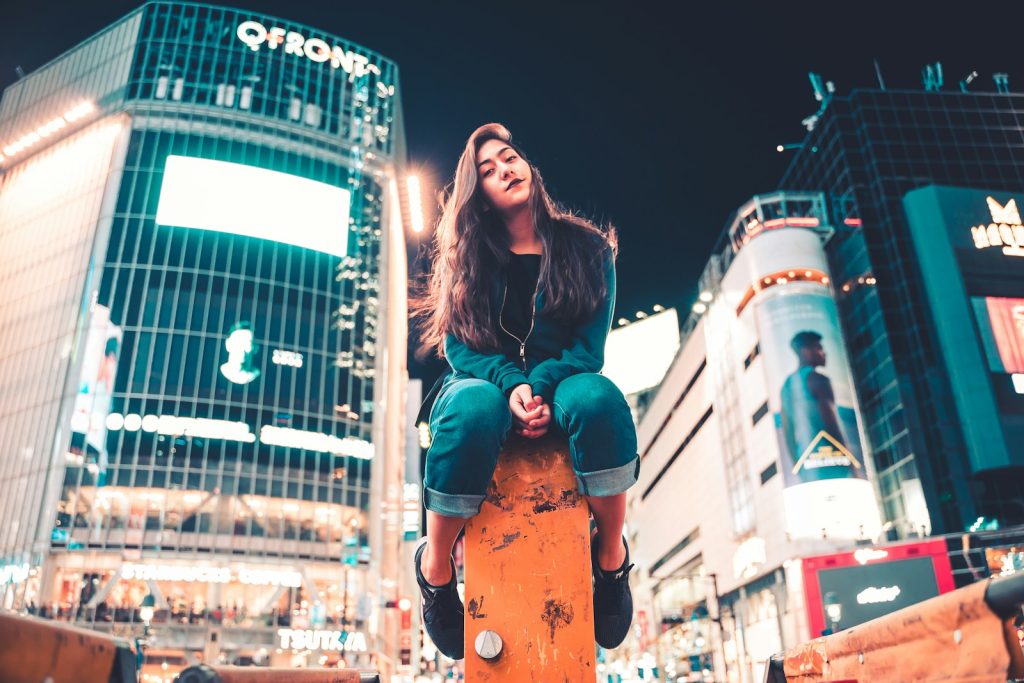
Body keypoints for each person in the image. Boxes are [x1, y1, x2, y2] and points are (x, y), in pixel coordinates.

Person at [410, 123, 639, 659]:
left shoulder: (587, 248)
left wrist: (538, 386)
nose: (504, 170)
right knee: (470, 407)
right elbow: (460, 347)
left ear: (528, 166)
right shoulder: (467, 256)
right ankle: (436, 567)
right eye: (487, 171)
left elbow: (589, 347)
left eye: (509, 158)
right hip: (484, 380)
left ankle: (609, 557)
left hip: (563, 378)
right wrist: (511, 385)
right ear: (479, 196)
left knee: (598, 399)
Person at [779, 330, 847, 464]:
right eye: (819, 348)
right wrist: (851, 463)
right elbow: (832, 425)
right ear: (805, 351)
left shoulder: (786, 386)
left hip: (806, 461)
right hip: (832, 459)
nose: (824, 353)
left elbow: (787, 431)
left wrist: (797, 464)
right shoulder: (818, 379)